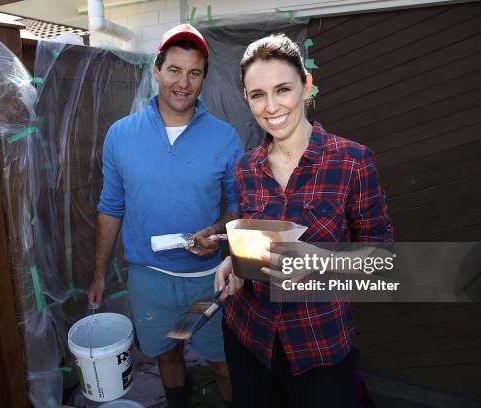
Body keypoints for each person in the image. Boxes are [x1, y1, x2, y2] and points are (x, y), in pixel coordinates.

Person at [215, 34, 394, 408]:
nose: (271, 106)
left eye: (283, 89)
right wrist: (235, 260)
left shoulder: (352, 162)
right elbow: (253, 240)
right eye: (257, 94)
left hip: (318, 344)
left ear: (306, 86)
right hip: (249, 336)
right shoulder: (246, 168)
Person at [88, 24, 243, 408]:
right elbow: (111, 207)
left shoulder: (225, 137)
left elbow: (239, 205)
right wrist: (98, 274)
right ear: (156, 71)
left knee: (223, 363)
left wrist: (218, 231)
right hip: (149, 279)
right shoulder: (121, 135)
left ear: (204, 79)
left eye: (194, 73)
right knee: (167, 355)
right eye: (174, 69)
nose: (183, 82)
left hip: (209, 280)